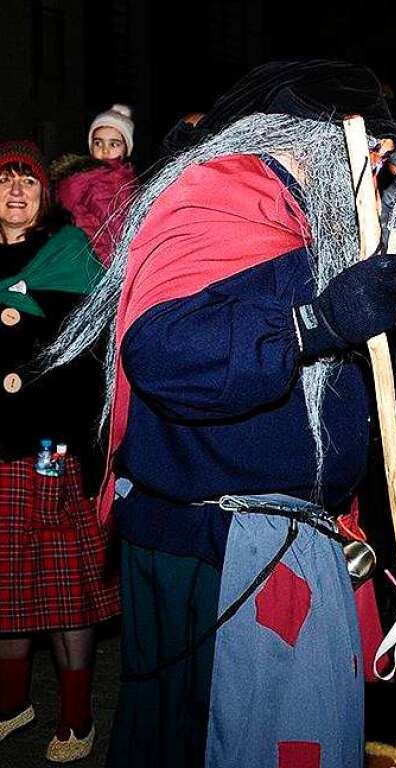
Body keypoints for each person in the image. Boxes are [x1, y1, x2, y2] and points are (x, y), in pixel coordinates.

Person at [44, 61, 396, 768]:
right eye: (373, 149)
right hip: (211, 547)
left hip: (277, 537)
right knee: (196, 740)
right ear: (314, 140)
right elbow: (165, 353)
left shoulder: (303, 214)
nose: (380, 171)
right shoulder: (220, 195)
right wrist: (314, 324)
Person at [0, 140, 116, 762]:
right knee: (5, 580)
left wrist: (64, 441)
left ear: (45, 197)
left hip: (49, 446)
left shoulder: (68, 254)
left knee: (62, 581)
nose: (16, 192)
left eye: (29, 183)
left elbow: (85, 354)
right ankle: (11, 702)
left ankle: (77, 716)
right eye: (5, 181)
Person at [52, 104, 138, 266]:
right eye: (99, 143)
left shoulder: (124, 178)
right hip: (98, 258)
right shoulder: (95, 179)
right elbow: (113, 225)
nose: (105, 150)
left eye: (113, 144)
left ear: (126, 148)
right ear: (91, 147)